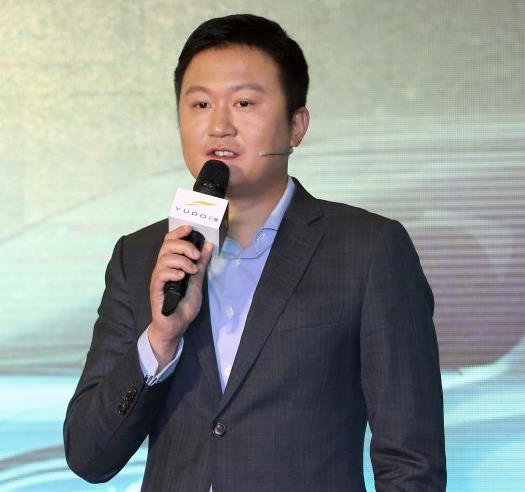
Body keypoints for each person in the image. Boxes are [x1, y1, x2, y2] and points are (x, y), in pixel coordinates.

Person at [64, 14, 446, 491]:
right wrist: (161, 340)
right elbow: (88, 456)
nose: (219, 126)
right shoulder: (140, 256)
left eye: (244, 103)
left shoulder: (368, 250)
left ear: (296, 125)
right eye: (200, 104)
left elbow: (411, 462)